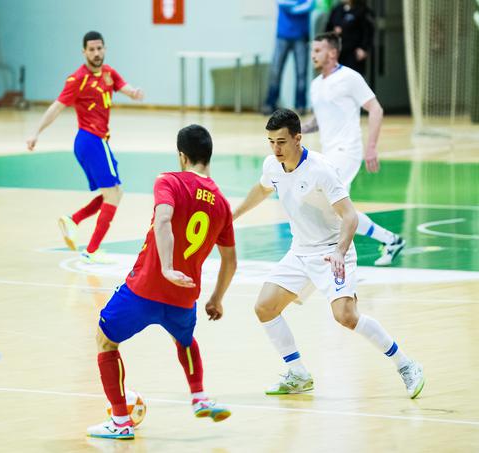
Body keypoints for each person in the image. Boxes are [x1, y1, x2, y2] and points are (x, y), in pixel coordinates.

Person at [233, 109, 424, 399]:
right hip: (299, 253)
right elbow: (261, 190)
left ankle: (406, 364)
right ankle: (298, 373)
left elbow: (350, 217)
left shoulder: (321, 169)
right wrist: (232, 216)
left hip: (331, 253)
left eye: (281, 141)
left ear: (298, 138)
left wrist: (339, 251)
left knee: (346, 316)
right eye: (271, 141)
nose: (275, 148)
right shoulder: (272, 165)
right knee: (265, 306)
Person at [87, 125, 237, 439]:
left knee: (104, 340)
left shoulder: (169, 181)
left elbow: (165, 218)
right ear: (208, 156)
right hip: (184, 297)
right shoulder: (222, 204)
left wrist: (166, 267)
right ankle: (199, 397)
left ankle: (120, 421)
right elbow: (230, 260)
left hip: (145, 287)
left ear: (182, 156)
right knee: (184, 340)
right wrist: (216, 299)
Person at [26, 31, 144, 264]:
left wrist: (134, 92)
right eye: (91, 49)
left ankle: (74, 220)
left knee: (114, 193)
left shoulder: (109, 73)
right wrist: (36, 132)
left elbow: (125, 87)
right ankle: (91, 250)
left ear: (104, 49)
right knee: (113, 195)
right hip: (91, 140)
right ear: (84, 52)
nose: (96, 53)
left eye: (99, 48)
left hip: (98, 142)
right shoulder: (77, 79)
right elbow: (57, 107)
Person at [303, 32, 404, 266]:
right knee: (337, 209)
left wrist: (371, 148)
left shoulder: (350, 77)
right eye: (312, 50)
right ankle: (391, 240)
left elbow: (376, 109)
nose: (313, 55)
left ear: (332, 52)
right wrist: (296, 130)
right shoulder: (316, 85)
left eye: (318, 50)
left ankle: (335, 257)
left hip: (347, 151)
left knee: (330, 204)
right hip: (329, 153)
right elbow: (320, 120)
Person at [262, 0, 315, 115]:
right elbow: (281, 3)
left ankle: (300, 105)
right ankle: (270, 103)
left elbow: (310, 5)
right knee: (275, 71)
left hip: (301, 36)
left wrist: (292, 6)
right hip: (282, 35)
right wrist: (297, 5)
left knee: (301, 73)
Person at [325, 0, 375, 75]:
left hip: (353, 52)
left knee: (352, 76)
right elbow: (328, 28)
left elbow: (368, 31)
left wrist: (363, 48)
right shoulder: (337, 9)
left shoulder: (362, 10)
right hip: (337, 52)